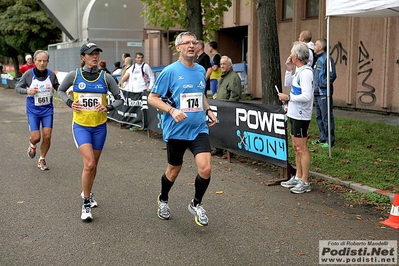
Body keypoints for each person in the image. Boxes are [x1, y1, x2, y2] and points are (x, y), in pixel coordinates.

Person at [148, 31, 217, 227]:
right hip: (177, 130)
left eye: (193, 42)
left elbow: (200, 94)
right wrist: (171, 110)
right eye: (186, 43)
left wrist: (209, 109)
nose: (191, 45)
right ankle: (163, 199)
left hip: (198, 128)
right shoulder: (169, 71)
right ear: (178, 47)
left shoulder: (201, 70)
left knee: (205, 168)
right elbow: (152, 98)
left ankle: (196, 203)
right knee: (173, 171)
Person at [57, 43, 125, 222]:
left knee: (94, 165)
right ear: (83, 57)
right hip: (81, 126)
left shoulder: (106, 77)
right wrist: (70, 103)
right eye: (90, 54)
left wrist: (108, 107)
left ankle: (87, 192)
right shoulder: (75, 75)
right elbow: (60, 90)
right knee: (89, 164)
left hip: (100, 127)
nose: (94, 57)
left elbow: (120, 99)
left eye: (96, 54)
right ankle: (86, 202)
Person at [278, 41, 314, 194]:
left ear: (297, 56)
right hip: (294, 112)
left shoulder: (306, 73)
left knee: (302, 148)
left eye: (292, 52)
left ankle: (305, 180)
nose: (290, 55)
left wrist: (288, 98)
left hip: (301, 114)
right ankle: (298, 176)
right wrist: (288, 68)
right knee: (296, 147)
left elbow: (306, 95)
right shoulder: (299, 71)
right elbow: (288, 83)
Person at [15, 50, 59, 170]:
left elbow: (58, 87)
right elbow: (18, 88)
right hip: (33, 110)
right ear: (34, 61)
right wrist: (27, 91)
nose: (42, 63)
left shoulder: (51, 74)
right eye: (39, 61)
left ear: (48, 62)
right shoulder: (28, 74)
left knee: (47, 136)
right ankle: (32, 144)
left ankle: (42, 159)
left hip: (47, 110)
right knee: (36, 137)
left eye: (44, 61)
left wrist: (65, 90)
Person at [211, 55, 241, 158]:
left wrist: (228, 106)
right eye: (221, 64)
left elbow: (235, 95)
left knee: (228, 131)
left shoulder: (233, 77)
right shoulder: (223, 76)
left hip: (228, 109)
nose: (222, 66)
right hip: (221, 107)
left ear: (230, 65)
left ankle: (229, 152)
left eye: (224, 64)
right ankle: (219, 149)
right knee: (219, 129)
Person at [312, 38, 337, 148]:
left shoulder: (327, 58)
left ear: (321, 47)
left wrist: (321, 85)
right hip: (317, 93)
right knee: (319, 116)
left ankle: (330, 140)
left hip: (324, 93)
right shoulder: (318, 59)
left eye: (316, 44)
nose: (314, 46)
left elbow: (332, 75)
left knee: (326, 116)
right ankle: (322, 138)